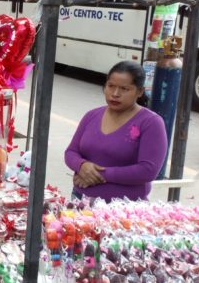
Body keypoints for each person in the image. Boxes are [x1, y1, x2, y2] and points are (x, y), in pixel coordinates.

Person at [65, 61, 168, 202]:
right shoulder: (92, 115)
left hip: (125, 209)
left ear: (139, 92)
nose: (115, 94)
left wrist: (98, 175)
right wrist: (82, 166)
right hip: (80, 200)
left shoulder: (151, 122)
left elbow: (147, 170)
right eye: (110, 86)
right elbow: (71, 152)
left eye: (124, 89)